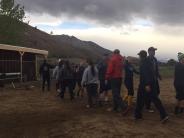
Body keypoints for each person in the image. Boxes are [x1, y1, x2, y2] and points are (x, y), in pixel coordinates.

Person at [134, 50, 168, 123]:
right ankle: (164, 115)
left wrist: (147, 84)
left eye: (139, 56)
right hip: (151, 83)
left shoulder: (144, 63)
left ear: (141, 56)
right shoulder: (149, 62)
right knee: (155, 100)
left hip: (145, 84)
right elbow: (150, 73)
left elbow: (146, 74)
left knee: (140, 99)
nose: (139, 57)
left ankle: (137, 115)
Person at [145, 47, 162, 112]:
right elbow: (145, 72)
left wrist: (159, 75)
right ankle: (147, 107)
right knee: (149, 93)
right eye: (153, 51)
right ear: (149, 52)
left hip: (154, 79)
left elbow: (156, 69)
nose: (154, 52)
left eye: (154, 51)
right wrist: (146, 83)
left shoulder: (155, 59)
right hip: (149, 80)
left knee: (157, 91)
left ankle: (151, 100)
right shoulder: (146, 60)